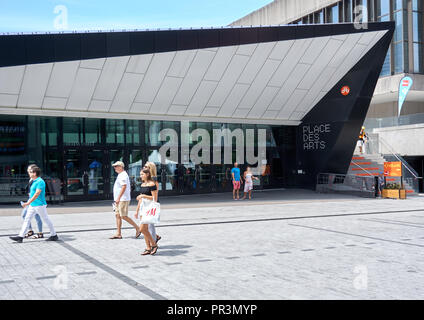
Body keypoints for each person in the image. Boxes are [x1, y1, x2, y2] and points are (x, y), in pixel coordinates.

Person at [10, 166, 58, 243]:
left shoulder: (40, 181)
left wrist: (27, 203)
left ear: (34, 173)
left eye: (30, 172)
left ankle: (54, 235)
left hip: (39, 205)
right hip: (33, 205)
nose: (29, 173)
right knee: (27, 219)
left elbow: (37, 194)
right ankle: (20, 236)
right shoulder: (34, 180)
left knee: (46, 219)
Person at [109, 161, 141, 239]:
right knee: (117, 215)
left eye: (116, 166)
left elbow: (124, 187)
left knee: (123, 216)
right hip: (119, 199)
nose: (114, 168)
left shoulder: (123, 175)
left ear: (121, 166)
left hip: (123, 199)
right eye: (114, 166)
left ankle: (138, 228)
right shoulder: (121, 175)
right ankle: (118, 233)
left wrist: (118, 198)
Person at [134, 168, 158, 255]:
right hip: (142, 208)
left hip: (149, 208)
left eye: (142, 174)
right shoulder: (143, 184)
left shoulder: (152, 184)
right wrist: (137, 210)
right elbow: (141, 198)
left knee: (142, 229)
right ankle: (148, 248)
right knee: (145, 229)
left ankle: (154, 245)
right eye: (140, 174)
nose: (141, 176)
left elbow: (154, 198)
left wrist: (143, 195)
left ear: (147, 174)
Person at [138, 162, 161, 244]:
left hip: (151, 204)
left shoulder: (154, 181)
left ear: (151, 169)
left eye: (147, 167)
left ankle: (153, 242)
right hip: (145, 204)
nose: (145, 168)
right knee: (147, 225)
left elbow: (155, 196)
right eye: (144, 166)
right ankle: (153, 239)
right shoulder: (144, 181)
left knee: (150, 225)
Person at [21, 164, 44, 239]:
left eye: (29, 169)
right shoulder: (31, 179)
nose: (28, 171)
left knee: (36, 216)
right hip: (31, 199)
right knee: (25, 215)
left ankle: (39, 233)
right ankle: (31, 231)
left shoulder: (38, 180)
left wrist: (29, 201)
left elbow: (38, 192)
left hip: (35, 201)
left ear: (34, 171)